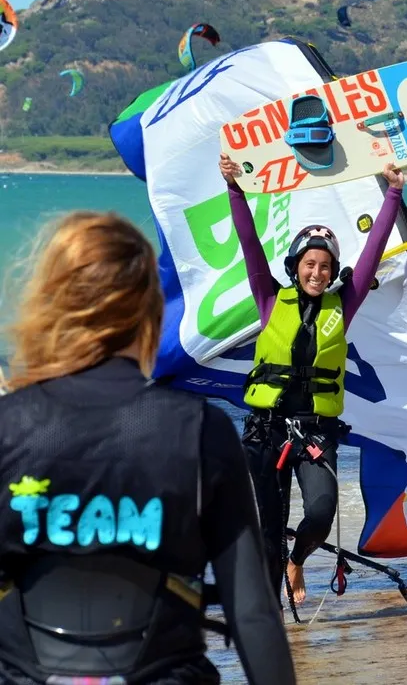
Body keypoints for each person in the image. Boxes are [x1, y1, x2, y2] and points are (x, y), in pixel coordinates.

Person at [0, 212, 294, 685]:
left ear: (53, 305)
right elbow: (252, 610)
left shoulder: (8, 428)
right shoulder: (200, 429)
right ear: (149, 310)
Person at [219, 154, 403, 607]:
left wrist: (394, 192)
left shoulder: (345, 304)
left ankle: (297, 560)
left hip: (315, 431)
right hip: (266, 430)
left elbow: (374, 251)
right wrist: (236, 190)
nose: (318, 272)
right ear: (295, 265)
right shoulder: (268, 298)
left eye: (325, 266)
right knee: (268, 525)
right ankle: (272, 623)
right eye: (310, 264)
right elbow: (249, 245)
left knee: (320, 510)